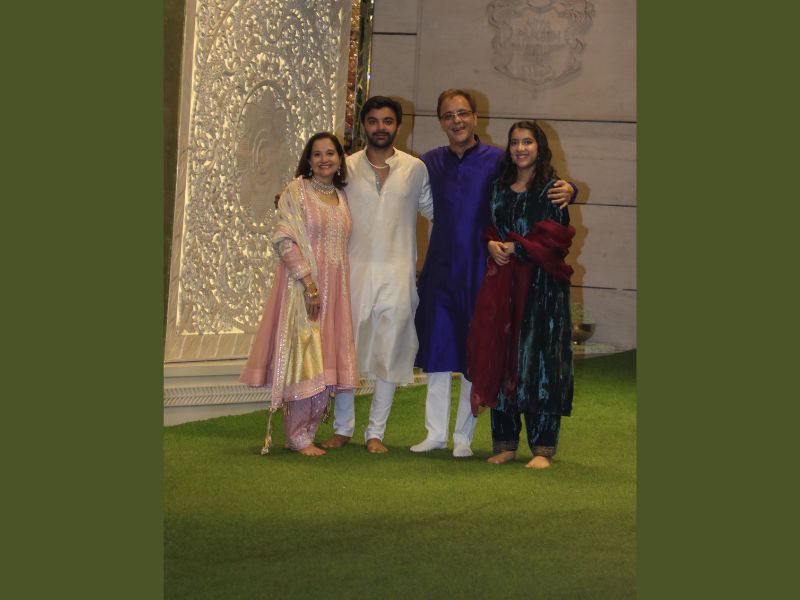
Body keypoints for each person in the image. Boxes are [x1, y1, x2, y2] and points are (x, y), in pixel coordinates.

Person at [411, 90, 575, 457]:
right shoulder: (429, 162)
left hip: (486, 270)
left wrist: (571, 188)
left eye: (462, 113)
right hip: (441, 269)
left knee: (480, 348)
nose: (457, 121)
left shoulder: (497, 160)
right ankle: (434, 432)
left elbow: (536, 180)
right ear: (440, 121)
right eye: (448, 115)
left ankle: (463, 437)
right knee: (439, 347)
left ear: (475, 117)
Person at [321, 96, 434, 453]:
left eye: (387, 121)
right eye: (373, 121)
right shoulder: (345, 167)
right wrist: (289, 201)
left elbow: (439, 212)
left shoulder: (415, 169)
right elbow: (317, 196)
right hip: (352, 274)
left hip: (399, 275)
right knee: (347, 351)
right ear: (363, 125)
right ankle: (342, 429)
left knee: (390, 349)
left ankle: (375, 433)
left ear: (398, 126)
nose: (380, 128)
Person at [240, 132, 358, 457]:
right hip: (304, 290)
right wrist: (309, 284)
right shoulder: (297, 191)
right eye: (317, 154)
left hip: (335, 291)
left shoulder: (341, 196)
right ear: (308, 160)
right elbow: (283, 239)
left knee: (325, 358)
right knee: (306, 358)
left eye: (330, 153)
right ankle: (297, 436)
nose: (324, 159)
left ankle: (309, 431)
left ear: (340, 159)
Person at [467, 120, 576, 469]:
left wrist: (519, 248)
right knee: (503, 358)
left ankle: (542, 448)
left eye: (527, 142)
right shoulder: (499, 187)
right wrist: (492, 244)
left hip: (542, 290)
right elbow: (490, 227)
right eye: (514, 142)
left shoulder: (553, 190)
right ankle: (506, 443)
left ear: (539, 147)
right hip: (504, 286)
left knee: (539, 362)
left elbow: (556, 239)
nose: (520, 148)